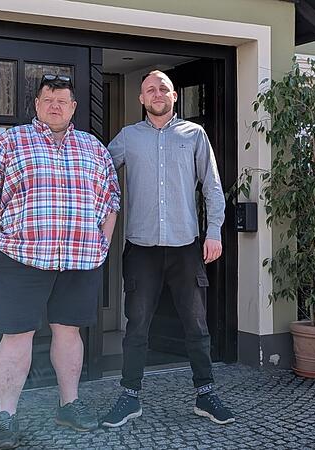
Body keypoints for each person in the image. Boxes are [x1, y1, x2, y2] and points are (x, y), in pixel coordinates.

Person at [0, 75, 120, 449]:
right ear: (37, 105)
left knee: (69, 332)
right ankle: (7, 415)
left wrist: (102, 245)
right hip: (21, 257)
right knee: (16, 335)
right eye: (48, 99)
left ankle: (69, 405)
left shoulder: (93, 147)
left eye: (63, 100)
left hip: (80, 259)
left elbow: (111, 197)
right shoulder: (11, 141)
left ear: (73, 108)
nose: (55, 105)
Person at [100, 70, 233, 427]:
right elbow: (97, 174)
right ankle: (129, 397)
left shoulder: (194, 135)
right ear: (141, 99)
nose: (157, 93)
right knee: (137, 324)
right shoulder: (128, 138)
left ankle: (205, 394)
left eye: (164, 88)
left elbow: (213, 186)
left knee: (196, 324)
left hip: (185, 247)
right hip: (141, 248)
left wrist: (215, 232)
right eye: (150, 89)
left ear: (174, 97)